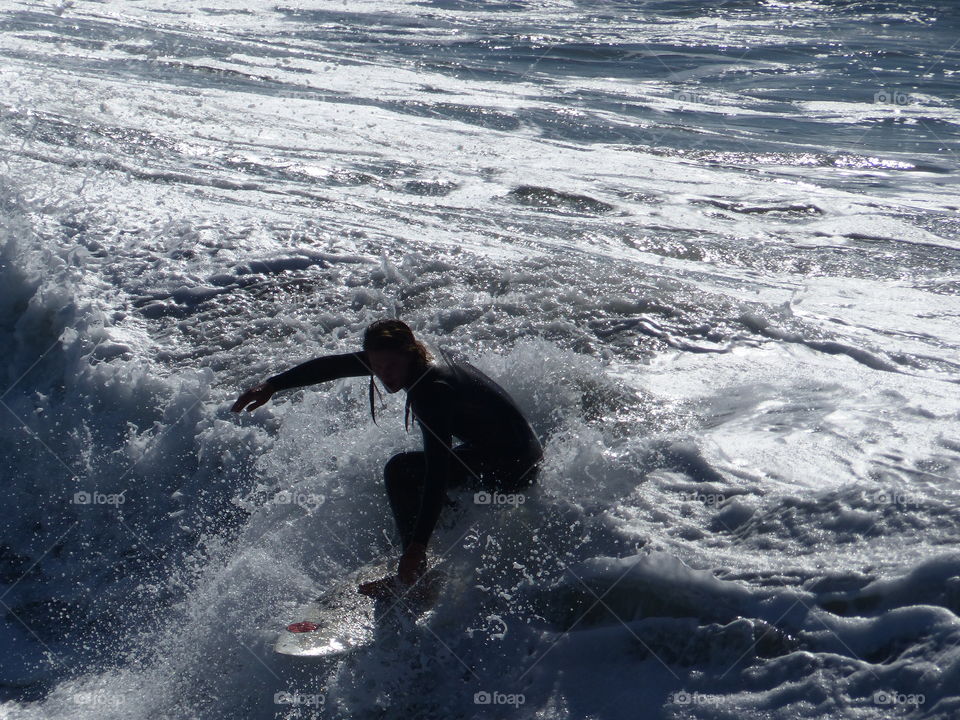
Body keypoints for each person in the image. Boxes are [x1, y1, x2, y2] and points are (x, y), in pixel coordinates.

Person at [230, 319, 544, 599]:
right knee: (411, 472)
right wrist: (273, 385)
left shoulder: (431, 390)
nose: (384, 375)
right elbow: (332, 367)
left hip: (512, 468)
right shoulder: (408, 357)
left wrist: (416, 548)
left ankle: (416, 574)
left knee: (402, 471)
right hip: (502, 450)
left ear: (409, 354)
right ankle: (438, 531)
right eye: (376, 367)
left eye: (390, 366)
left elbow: (437, 472)